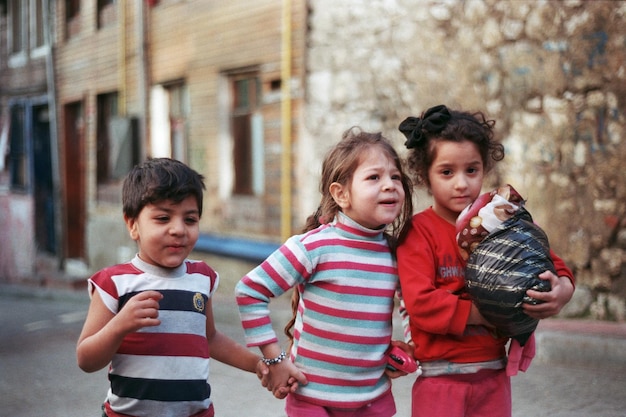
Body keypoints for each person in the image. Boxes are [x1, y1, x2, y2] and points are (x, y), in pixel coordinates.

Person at [396, 104, 575, 417]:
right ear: (425, 175)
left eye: (472, 170)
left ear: (484, 170)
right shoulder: (418, 232)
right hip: (440, 380)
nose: (461, 183)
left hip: (494, 375)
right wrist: (482, 313)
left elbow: (547, 261)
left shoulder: (498, 219)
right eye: (447, 172)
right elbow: (420, 303)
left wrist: (562, 291)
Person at [235, 127, 415, 417]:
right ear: (341, 193)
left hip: (373, 400)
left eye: (395, 177)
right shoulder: (312, 247)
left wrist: (410, 345)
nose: (390, 185)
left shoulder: (397, 254)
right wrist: (275, 359)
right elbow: (249, 291)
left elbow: (410, 304)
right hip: (312, 401)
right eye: (374, 177)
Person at [76, 158, 268, 417]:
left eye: (190, 220)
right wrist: (120, 325)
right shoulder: (114, 283)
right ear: (133, 225)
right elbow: (86, 360)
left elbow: (210, 338)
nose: (178, 230)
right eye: (163, 218)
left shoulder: (203, 277)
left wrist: (258, 364)